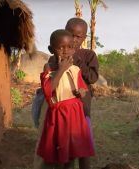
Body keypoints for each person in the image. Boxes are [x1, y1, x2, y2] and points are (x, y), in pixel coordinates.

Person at [37, 29, 95, 169]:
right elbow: (48, 91)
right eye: (60, 47)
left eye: (69, 47)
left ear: (74, 49)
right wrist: (62, 69)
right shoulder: (49, 68)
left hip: (75, 114)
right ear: (51, 49)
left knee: (72, 151)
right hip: (59, 116)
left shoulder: (75, 69)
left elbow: (82, 88)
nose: (65, 51)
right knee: (60, 151)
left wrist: (82, 92)